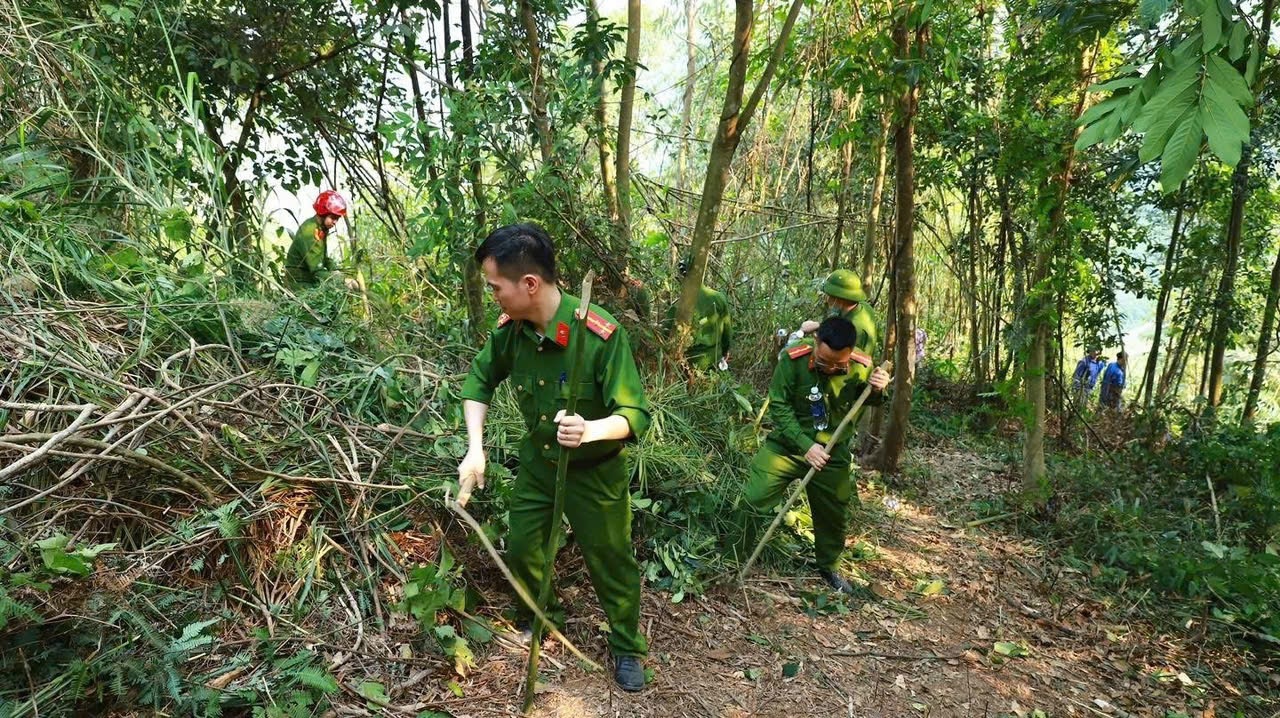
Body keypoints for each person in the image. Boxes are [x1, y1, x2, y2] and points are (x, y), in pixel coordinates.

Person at [455, 223, 650, 692]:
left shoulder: (599, 334)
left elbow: (634, 414)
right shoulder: (510, 333)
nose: (492, 295)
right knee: (523, 547)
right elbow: (479, 383)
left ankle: (626, 645)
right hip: (539, 467)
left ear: (529, 284)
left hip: (596, 473)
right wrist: (475, 449)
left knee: (611, 560)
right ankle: (543, 616)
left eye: (494, 286)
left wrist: (591, 430)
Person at [738, 316, 890, 594]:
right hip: (787, 446)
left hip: (832, 451)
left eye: (837, 364)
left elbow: (867, 399)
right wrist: (805, 446)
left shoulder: (861, 366)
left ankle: (828, 565)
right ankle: (734, 555)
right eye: (824, 360)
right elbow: (780, 406)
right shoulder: (794, 358)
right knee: (752, 497)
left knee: (834, 512)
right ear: (817, 342)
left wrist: (878, 389)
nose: (830, 368)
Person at [785, 270, 878, 371]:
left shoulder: (856, 328)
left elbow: (833, 353)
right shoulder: (861, 307)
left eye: (829, 295)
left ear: (840, 298)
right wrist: (819, 325)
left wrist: (797, 337)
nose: (826, 299)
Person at [666, 256, 731, 371]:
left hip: (689, 364)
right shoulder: (719, 297)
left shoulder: (678, 306)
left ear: (681, 277)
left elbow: (666, 336)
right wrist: (725, 351)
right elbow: (727, 330)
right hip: (714, 359)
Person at [285, 190, 355, 288]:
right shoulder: (309, 230)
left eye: (337, 218)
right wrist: (343, 281)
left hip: (310, 279)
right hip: (299, 283)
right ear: (323, 213)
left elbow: (323, 258)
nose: (335, 222)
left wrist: (336, 270)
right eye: (332, 217)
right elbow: (317, 270)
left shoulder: (321, 228)